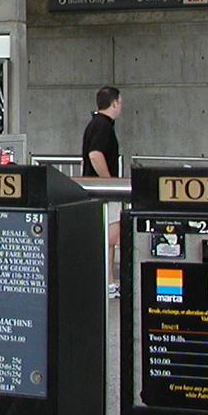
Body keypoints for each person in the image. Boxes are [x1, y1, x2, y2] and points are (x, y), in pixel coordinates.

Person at [81, 85, 122, 300]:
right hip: (105, 190)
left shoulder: (94, 124)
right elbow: (95, 154)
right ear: (114, 103)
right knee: (111, 237)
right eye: (120, 102)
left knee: (108, 237)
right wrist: (109, 182)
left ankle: (108, 280)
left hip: (97, 188)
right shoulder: (103, 126)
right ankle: (108, 281)